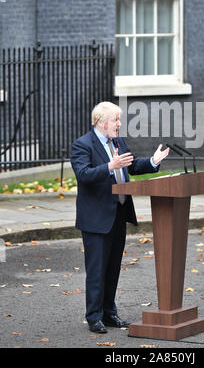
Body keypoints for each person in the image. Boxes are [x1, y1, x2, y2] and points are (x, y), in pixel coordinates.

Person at [71, 101, 169, 333]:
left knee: (113, 267)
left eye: (119, 120)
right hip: (96, 218)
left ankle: (109, 313)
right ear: (101, 122)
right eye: (115, 120)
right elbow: (83, 174)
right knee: (97, 270)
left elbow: (132, 166)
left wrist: (154, 161)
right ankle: (94, 317)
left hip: (118, 214)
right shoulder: (82, 145)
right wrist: (109, 166)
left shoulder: (119, 142)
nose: (119, 124)